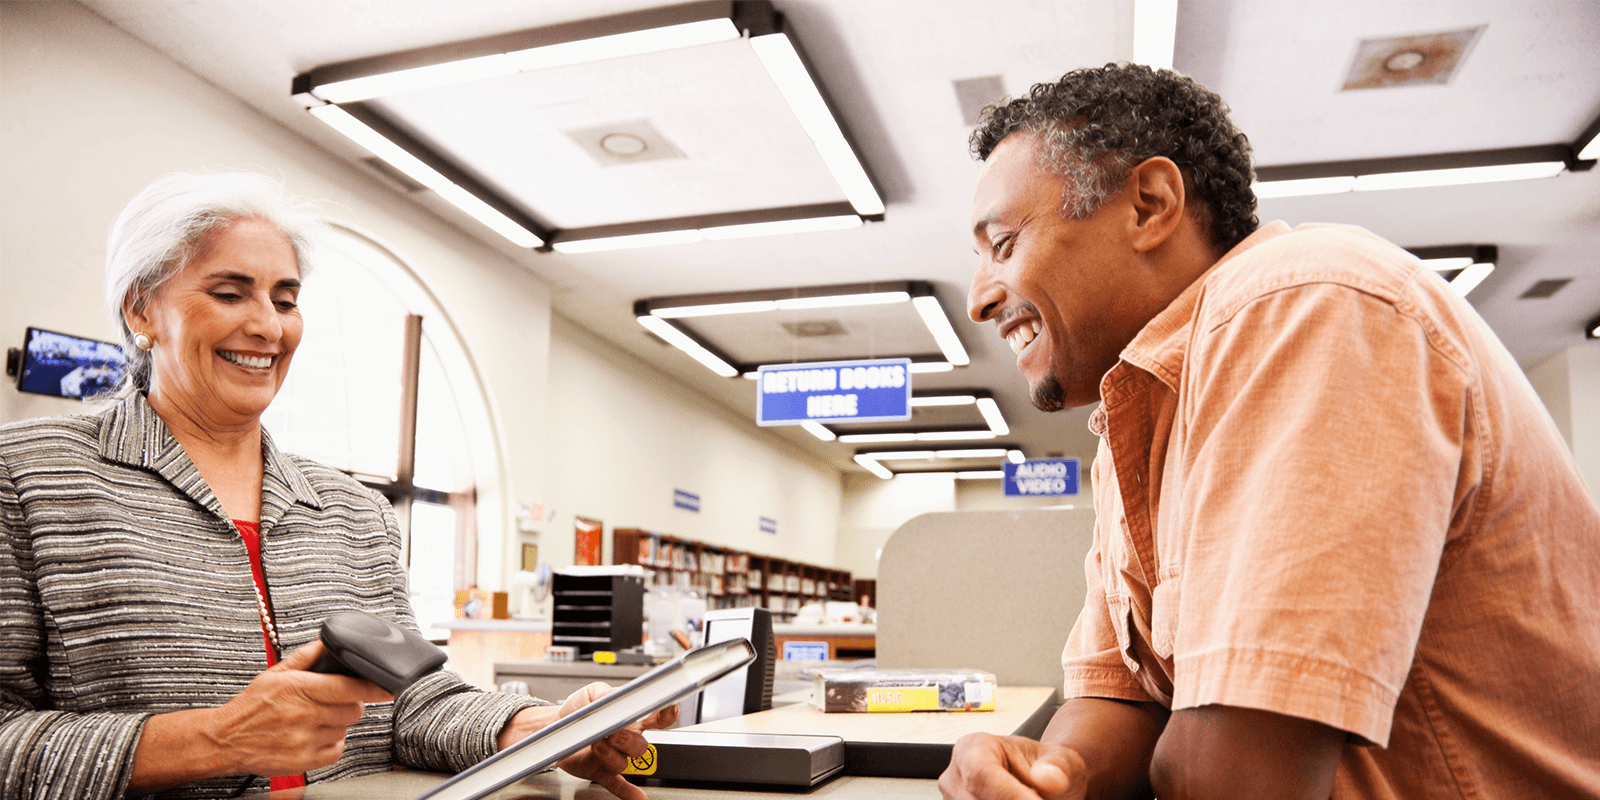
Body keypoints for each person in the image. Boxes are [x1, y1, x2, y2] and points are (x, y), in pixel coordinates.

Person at [941, 63, 1600, 800]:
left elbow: (1234, 778)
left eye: (1001, 245)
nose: (978, 301)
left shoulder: (1304, 304)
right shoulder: (1135, 417)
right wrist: (1052, 773)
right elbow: (1120, 695)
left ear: (1150, 206)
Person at [0, 172, 673, 800]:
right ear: (140, 311)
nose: (268, 325)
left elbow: (413, 703)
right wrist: (214, 740)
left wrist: (533, 730)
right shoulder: (29, 478)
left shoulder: (354, 512)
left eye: (285, 299)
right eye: (230, 293)